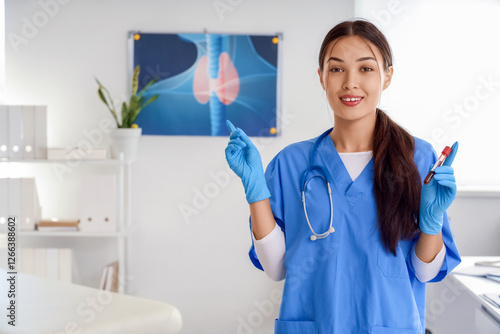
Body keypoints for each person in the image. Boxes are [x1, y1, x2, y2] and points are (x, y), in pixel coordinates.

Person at [225, 19, 460, 334]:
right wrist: (255, 192)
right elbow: (276, 267)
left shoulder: (418, 159)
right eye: (336, 69)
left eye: (365, 69)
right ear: (321, 77)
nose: (350, 83)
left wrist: (432, 224)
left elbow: (426, 272)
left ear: (387, 76)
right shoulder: (291, 164)